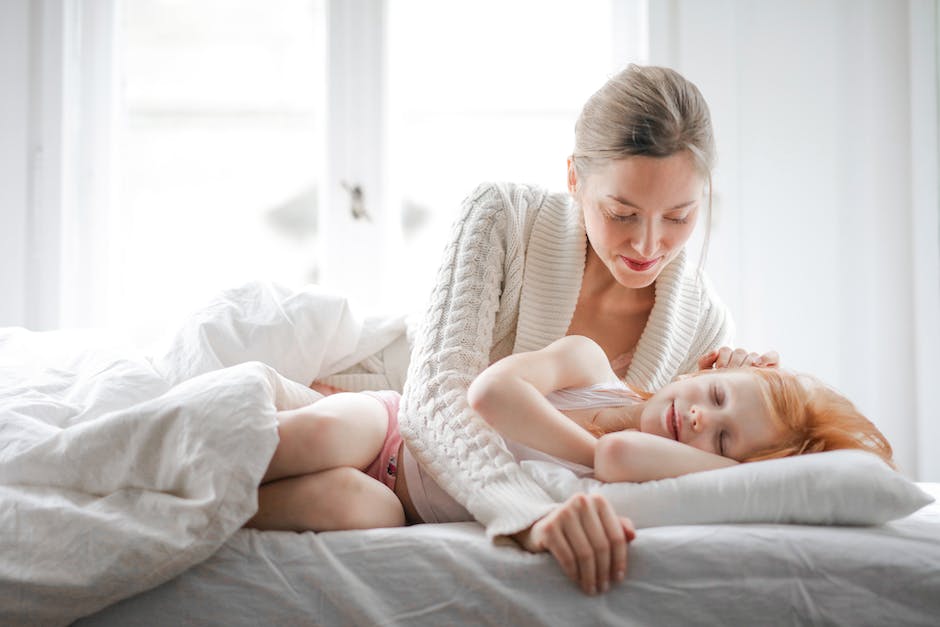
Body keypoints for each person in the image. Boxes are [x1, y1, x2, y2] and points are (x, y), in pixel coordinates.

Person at [390, 63, 777, 595]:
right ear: (574, 178)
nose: (647, 246)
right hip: (382, 405)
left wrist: (745, 399)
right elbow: (434, 396)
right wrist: (527, 512)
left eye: (678, 217)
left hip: (409, 493)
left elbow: (671, 471)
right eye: (621, 213)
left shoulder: (704, 325)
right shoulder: (502, 216)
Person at [248, 335, 894, 596]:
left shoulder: (650, 468)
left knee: (352, 510)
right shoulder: (590, 365)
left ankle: (213, 507)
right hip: (397, 428)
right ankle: (211, 455)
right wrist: (597, 448)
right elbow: (490, 395)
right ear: (708, 367)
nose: (701, 419)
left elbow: (619, 455)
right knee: (330, 433)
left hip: (401, 504)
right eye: (716, 397)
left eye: (722, 441)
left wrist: (715, 466)